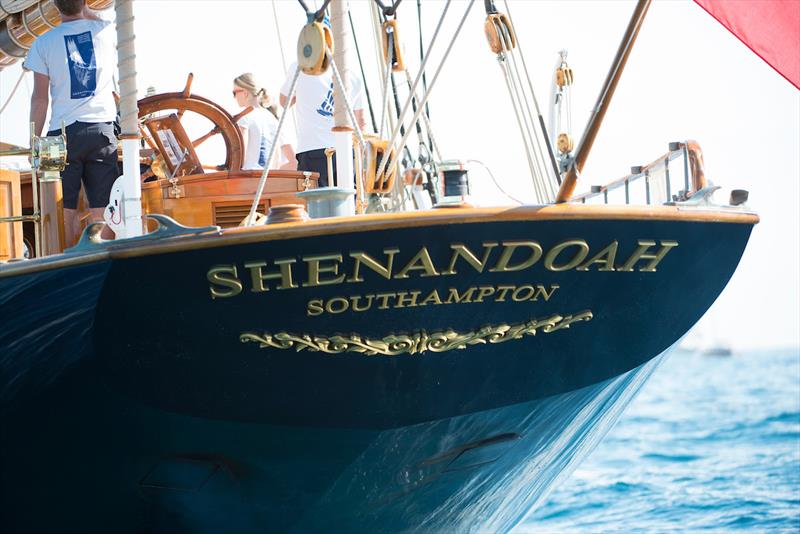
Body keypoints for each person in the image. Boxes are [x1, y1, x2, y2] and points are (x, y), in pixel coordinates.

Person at [24, 0, 117, 246]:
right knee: (102, 208)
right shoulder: (106, 30)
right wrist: (86, 10)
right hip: (102, 130)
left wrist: (34, 141)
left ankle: (67, 260)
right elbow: (96, 17)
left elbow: (40, 99)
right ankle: (99, 260)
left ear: (55, 5)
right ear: (85, 2)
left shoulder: (42, 43)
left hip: (60, 135)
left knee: (63, 209)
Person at [280, 53, 366, 186]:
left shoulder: (300, 66)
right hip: (346, 153)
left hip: (313, 150)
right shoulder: (353, 76)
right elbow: (360, 123)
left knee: (316, 203)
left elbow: (284, 102)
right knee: (348, 203)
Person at [233, 73, 295, 171]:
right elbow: (293, 162)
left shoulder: (244, 118)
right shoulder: (273, 119)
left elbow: (239, 157)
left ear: (245, 93)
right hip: (269, 180)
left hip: (248, 180)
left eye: (234, 93)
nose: (234, 97)